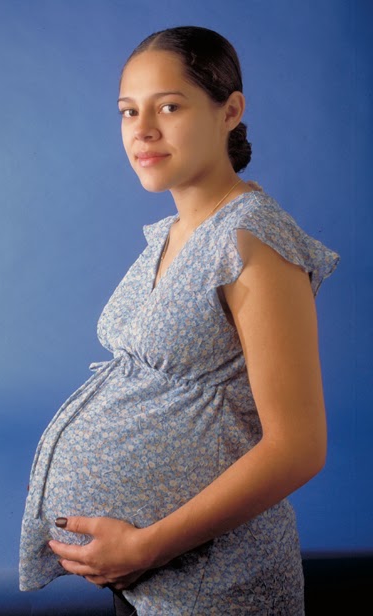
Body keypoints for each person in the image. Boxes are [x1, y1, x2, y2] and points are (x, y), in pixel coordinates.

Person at [19, 25, 339, 615]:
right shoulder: (171, 234)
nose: (142, 129)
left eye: (169, 106)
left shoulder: (252, 240)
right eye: (128, 111)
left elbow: (299, 447)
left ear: (230, 111)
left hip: (216, 589)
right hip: (149, 583)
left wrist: (145, 545)